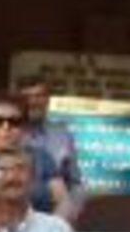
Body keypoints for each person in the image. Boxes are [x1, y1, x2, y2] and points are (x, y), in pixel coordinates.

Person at [0, 94, 69, 214]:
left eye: (14, 122)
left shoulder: (42, 158)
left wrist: (51, 225)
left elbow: (63, 201)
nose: (5, 127)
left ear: (24, 127)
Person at [18, 76, 84, 223]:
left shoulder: (62, 134)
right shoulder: (8, 132)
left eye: (39, 96)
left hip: (56, 218)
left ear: (48, 100)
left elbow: (76, 183)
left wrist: (67, 217)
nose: (33, 102)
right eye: (27, 97)